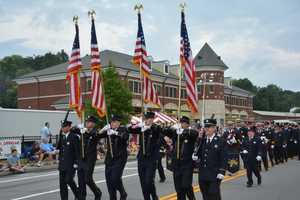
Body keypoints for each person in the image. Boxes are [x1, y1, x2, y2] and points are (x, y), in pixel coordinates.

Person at [163, 116, 198, 200]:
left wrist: (184, 131)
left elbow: (195, 134)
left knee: (186, 185)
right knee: (178, 188)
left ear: (187, 124)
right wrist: (172, 127)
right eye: (181, 123)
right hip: (177, 164)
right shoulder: (176, 132)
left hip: (187, 164)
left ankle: (192, 198)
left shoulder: (191, 133)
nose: (182, 124)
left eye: (184, 123)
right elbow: (165, 132)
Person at [128, 111, 161, 200]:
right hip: (141, 158)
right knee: (143, 182)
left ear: (153, 119)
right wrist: (138, 125)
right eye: (147, 119)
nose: (148, 121)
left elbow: (157, 131)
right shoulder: (141, 127)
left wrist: (148, 128)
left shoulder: (156, 128)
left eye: (150, 119)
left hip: (151, 159)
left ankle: (154, 195)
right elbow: (130, 129)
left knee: (148, 181)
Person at [193, 118, 227, 200]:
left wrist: (222, 171)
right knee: (205, 195)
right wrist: (195, 156)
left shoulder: (220, 141)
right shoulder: (203, 140)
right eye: (206, 127)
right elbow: (198, 153)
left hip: (214, 174)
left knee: (213, 195)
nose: (207, 129)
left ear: (215, 128)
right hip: (203, 174)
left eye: (209, 127)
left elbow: (224, 157)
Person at [98, 115, 129, 200]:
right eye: (111, 122)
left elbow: (125, 137)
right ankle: (113, 198)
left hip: (120, 157)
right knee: (109, 181)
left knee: (115, 178)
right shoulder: (108, 130)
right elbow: (97, 137)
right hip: (109, 158)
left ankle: (122, 192)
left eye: (114, 122)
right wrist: (103, 129)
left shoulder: (123, 129)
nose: (112, 123)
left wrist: (115, 133)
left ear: (119, 122)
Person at [77, 116, 103, 200]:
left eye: (89, 122)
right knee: (81, 180)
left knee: (87, 179)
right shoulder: (82, 131)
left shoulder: (95, 132)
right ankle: (82, 197)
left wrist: (86, 132)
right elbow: (72, 130)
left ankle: (97, 192)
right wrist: (78, 127)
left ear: (93, 124)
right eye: (86, 121)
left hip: (90, 158)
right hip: (81, 158)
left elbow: (95, 136)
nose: (87, 123)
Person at [57, 120, 81, 200]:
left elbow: (77, 151)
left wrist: (76, 162)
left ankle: (78, 194)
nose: (63, 128)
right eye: (62, 127)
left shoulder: (74, 137)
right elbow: (60, 149)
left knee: (69, 180)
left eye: (64, 127)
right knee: (62, 184)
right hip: (63, 164)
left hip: (71, 164)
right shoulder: (63, 137)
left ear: (69, 127)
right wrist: (59, 160)